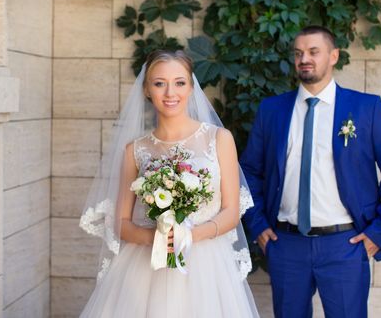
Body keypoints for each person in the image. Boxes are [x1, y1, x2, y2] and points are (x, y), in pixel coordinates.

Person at [241, 25, 381, 318]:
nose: (304, 59)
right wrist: (257, 226)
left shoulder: (365, 108)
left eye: (313, 52)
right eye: (298, 53)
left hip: (344, 244)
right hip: (286, 244)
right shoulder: (272, 110)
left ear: (333, 56)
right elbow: (248, 172)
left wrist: (378, 233)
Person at [79, 50, 259, 317]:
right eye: (159, 83)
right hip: (146, 265)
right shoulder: (135, 150)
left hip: (207, 265)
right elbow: (121, 223)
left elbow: (232, 211)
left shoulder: (219, 139)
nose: (170, 92)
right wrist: (156, 238)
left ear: (191, 86)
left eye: (179, 82)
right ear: (147, 90)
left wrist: (189, 235)